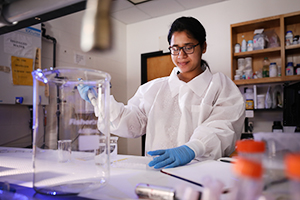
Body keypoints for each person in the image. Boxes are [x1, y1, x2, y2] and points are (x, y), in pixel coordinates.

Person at [78, 16, 245, 169]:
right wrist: (101, 99)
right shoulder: (153, 89)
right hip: (158, 174)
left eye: (188, 47)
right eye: (175, 48)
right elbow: (130, 124)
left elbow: (224, 127)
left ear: (204, 47)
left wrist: (192, 148)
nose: (181, 55)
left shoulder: (220, 86)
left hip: (202, 177)